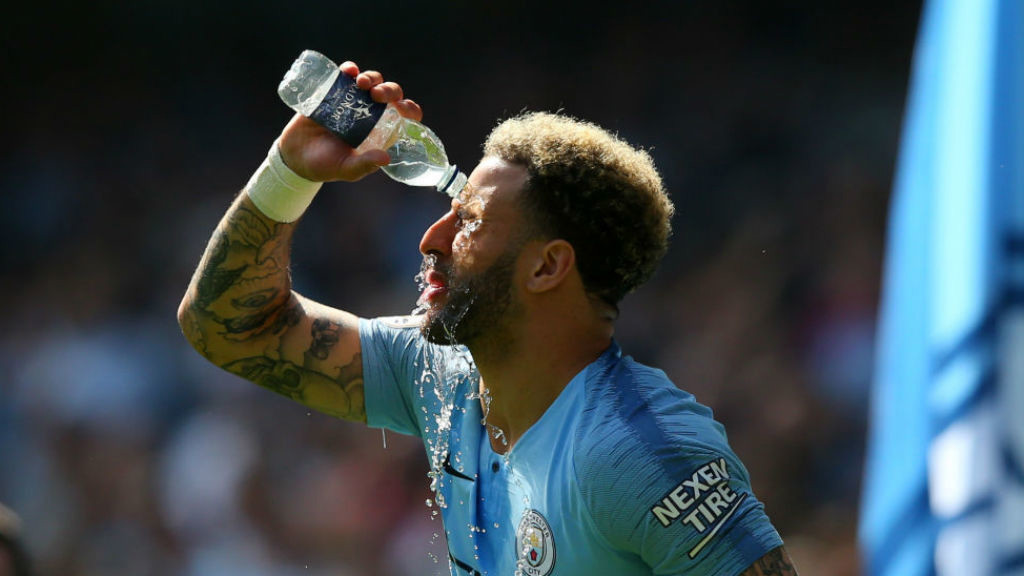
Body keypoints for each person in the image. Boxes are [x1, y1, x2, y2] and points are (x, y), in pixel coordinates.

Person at [178, 59, 798, 576]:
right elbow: (230, 325)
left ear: (547, 268)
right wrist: (289, 172)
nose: (431, 238)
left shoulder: (637, 454)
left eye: (469, 220)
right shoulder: (441, 376)